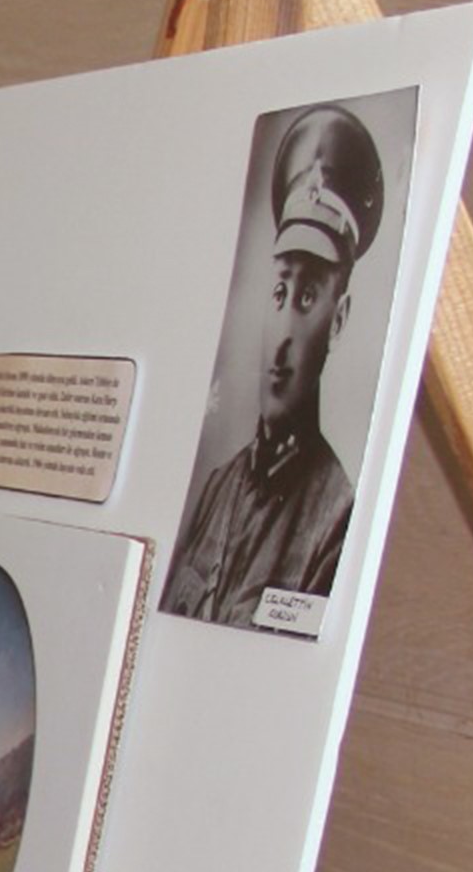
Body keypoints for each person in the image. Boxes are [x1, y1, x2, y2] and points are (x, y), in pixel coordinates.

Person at [160, 101, 386, 629]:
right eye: (280, 291)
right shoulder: (218, 488)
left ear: (338, 318)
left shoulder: (336, 517)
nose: (282, 335)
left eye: (308, 298)